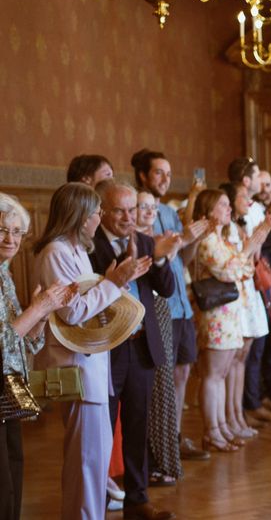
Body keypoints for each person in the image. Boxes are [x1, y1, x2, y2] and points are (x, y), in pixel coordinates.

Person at [32, 183, 150, 520]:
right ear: (81, 216)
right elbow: (72, 311)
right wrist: (112, 284)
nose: (100, 217)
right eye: (97, 211)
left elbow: (91, 299)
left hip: (92, 361)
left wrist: (114, 282)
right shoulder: (55, 252)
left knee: (95, 460)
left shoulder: (76, 249)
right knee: (86, 460)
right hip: (76, 364)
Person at [88, 183, 178, 519]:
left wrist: (159, 256)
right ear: (103, 211)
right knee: (102, 429)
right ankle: (94, 500)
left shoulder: (144, 241)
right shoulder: (89, 245)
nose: (128, 218)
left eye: (132, 211)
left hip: (140, 345)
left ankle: (138, 499)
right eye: (119, 211)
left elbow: (166, 288)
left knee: (138, 425)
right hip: (106, 348)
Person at [130, 149, 211, 462]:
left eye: (168, 173)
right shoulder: (139, 213)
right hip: (156, 308)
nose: (165, 179)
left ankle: (173, 439)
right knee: (159, 381)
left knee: (182, 373)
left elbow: (183, 263)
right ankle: (157, 446)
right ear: (142, 176)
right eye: (158, 173)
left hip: (180, 304)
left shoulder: (169, 212)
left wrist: (189, 241)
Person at [0, 193, 74, 520]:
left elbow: (24, 344)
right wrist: (38, 308)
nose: (10, 239)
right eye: (2, 230)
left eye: (17, 232)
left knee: (15, 465)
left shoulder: (5, 274)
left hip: (12, 380)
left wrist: (42, 315)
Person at [191, 189, 267, 452]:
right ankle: (211, 430)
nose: (227, 209)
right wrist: (247, 250)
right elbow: (230, 271)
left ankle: (222, 425)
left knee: (222, 374)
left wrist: (242, 257)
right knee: (213, 375)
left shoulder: (220, 240)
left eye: (227, 204)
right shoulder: (207, 241)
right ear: (208, 210)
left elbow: (244, 270)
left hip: (230, 314)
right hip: (216, 316)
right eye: (221, 205)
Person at [134, 190, 183, 486]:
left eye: (153, 206)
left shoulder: (157, 240)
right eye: (142, 207)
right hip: (136, 316)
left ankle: (162, 459)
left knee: (163, 387)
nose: (149, 211)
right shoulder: (131, 242)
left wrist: (165, 256)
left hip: (160, 312)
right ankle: (147, 462)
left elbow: (168, 285)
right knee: (147, 394)